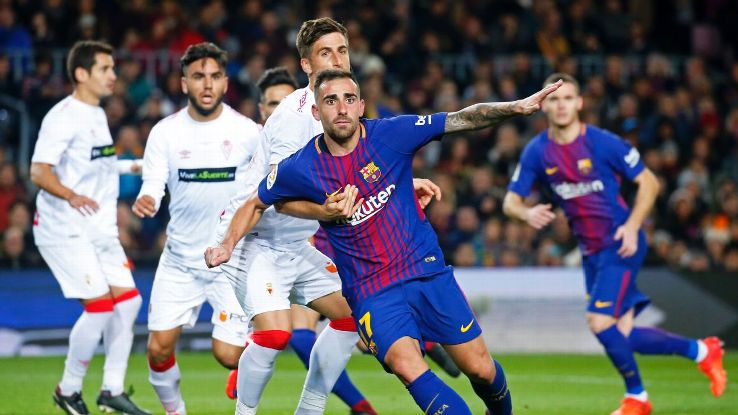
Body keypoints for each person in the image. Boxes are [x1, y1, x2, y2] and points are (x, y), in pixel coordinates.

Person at [206, 69, 562, 415]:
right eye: (330, 101)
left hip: (424, 272)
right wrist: (228, 244)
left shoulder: (392, 134)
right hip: (371, 292)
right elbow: (259, 201)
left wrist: (513, 107)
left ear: (362, 105)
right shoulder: (301, 166)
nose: (341, 108)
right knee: (408, 366)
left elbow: (461, 119)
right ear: (317, 112)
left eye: (349, 99)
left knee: (481, 370)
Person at [503, 73, 727, 415]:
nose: (561, 105)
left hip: (621, 242)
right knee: (622, 334)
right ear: (542, 104)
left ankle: (637, 398)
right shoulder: (538, 152)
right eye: (553, 99)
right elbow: (510, 202)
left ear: (579, 103)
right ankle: (701, 351)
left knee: (598, 322)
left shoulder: (603, 143)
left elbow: (648, 182)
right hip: (591, 252)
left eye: (568, 98)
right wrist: (525, 213)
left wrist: (634, 225)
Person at [223, 65, 379, 415]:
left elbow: (354, 173)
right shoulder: (258, 143)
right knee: (266, 338)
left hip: (295, 246)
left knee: (352, 312)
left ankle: (310, 409)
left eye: (342, 51)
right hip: (248, 243)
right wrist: (225, 243)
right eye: (272, 103)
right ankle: (244, 405)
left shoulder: (323, 135)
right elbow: (263, 199)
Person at [131, 42, 260, 415]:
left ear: (225, 82)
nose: (207, 84)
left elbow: (268, 184)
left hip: (229, 260)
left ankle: (252, 352)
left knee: (228, 356)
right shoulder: (165, 132)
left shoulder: (247, 132)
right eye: (198, 76)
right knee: (157, 349)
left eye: (215, 76)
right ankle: (176, 412)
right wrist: (149, 199)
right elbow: (153, 183)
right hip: (180, 261)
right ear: (184, 82)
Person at [29, 40, 148, 415]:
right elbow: (38, 171)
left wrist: (139, 167)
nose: (114, 75)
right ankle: (67, 389)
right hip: (63, 227)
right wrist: (71, 195)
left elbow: (95, 165)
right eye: (105, 69)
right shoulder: (62, 117)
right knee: (99, 307)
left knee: (128, 304)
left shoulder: (97, 113)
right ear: (81, 74)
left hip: (98, 229)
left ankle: (111, 390)